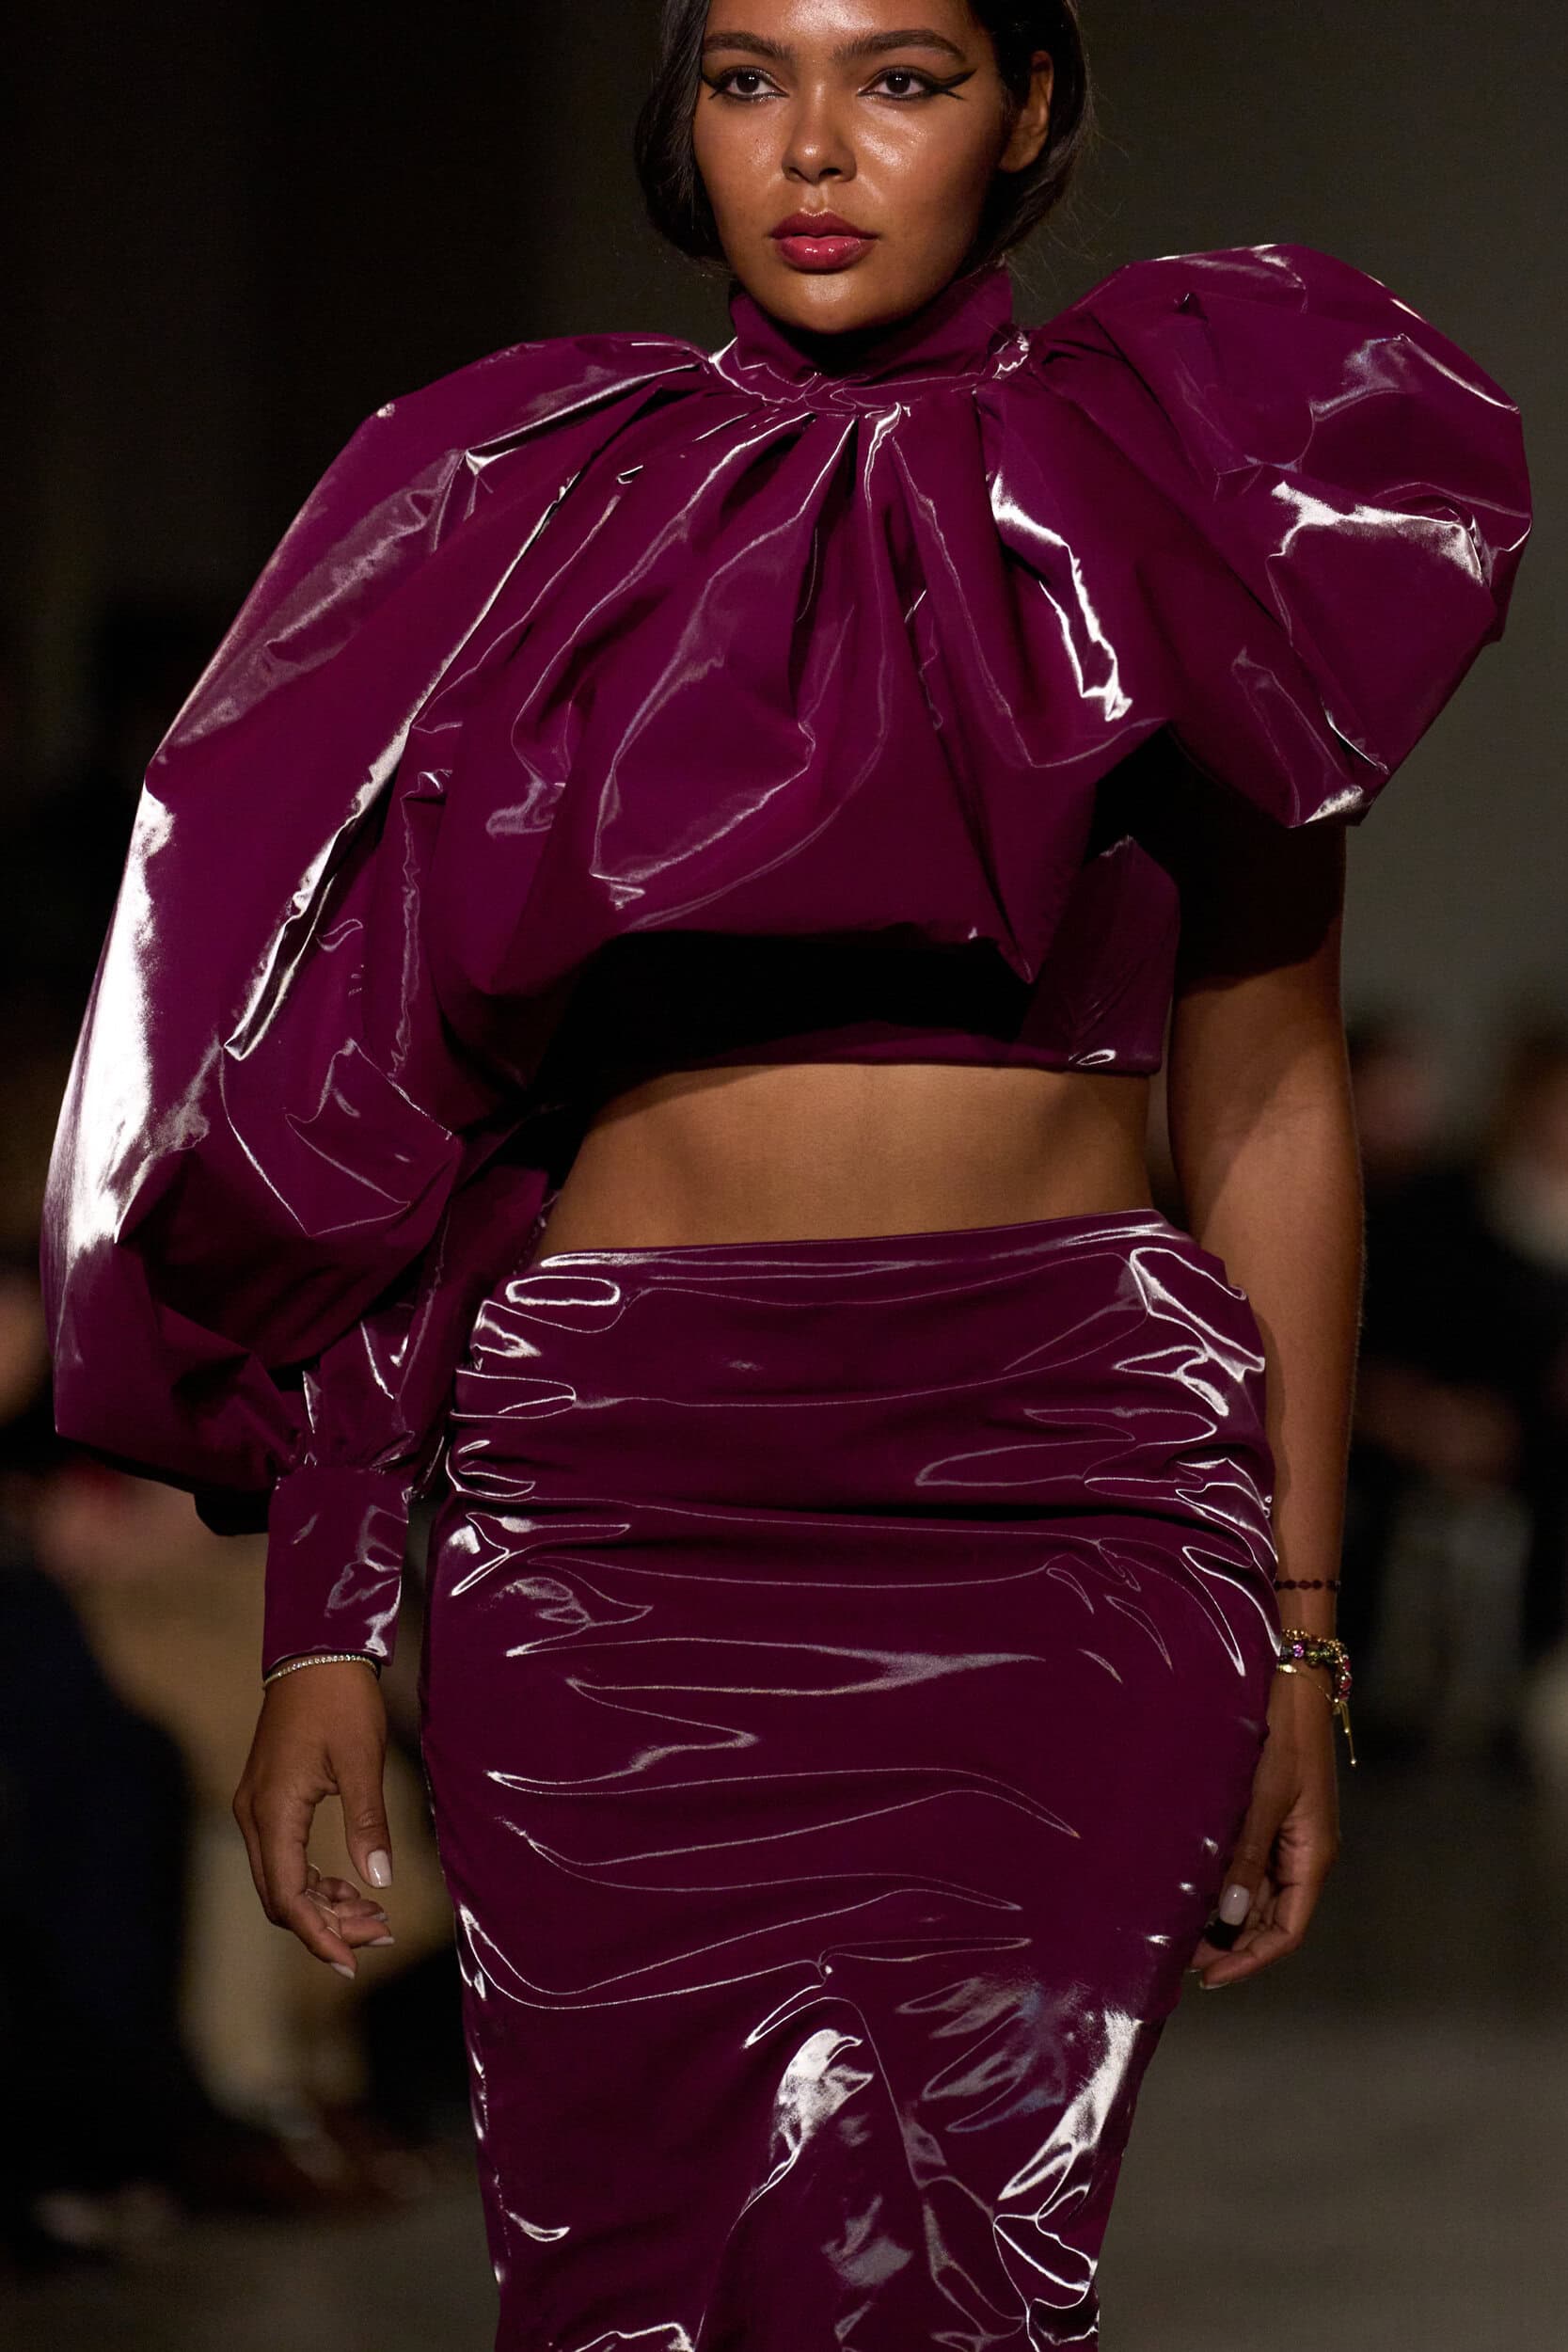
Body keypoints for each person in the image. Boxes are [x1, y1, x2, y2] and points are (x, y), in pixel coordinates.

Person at [40, 2, 1531, 2343]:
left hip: (1056, 1498)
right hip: (618, 1518)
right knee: (630, 2296)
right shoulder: (524, 507)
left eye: (901, 77)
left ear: (1030, 107)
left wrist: (1302, 1624)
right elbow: (388, 1105)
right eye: (750, 78)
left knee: (942, 2284)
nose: (816, 146)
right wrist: (324, 1612)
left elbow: (1268, 1095)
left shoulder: (1179, 493)